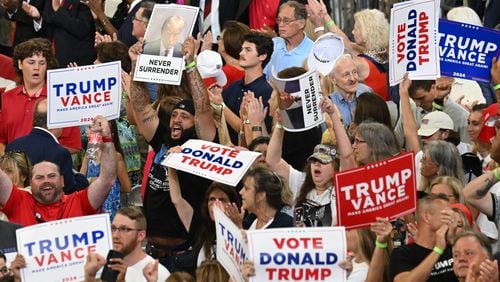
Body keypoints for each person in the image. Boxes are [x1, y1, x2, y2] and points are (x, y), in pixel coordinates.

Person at [128, 36, 217, 273]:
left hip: (185, 254)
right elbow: (140, 106)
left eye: (184, 117)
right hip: (152, 253)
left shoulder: (203, 146)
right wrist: (136, 65)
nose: (177, 118)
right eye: (175, 114)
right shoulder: (162, 141)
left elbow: (203, 106)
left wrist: (190, 64)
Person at [0, 116, 117, 226]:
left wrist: (106, 138)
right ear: (30, 183)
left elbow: (107, 180)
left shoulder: (79, 202)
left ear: (62, 180)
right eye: (39, 177)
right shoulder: (18, 202)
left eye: (51, 176)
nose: (46, 181)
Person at [0, 38, 82, 154]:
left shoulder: (59, 98)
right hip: (14, 168)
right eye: (31, 62)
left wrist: (40, 153)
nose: (36, 68)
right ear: (20, 64)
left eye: (41, 63)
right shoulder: (8, 97)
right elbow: (1, 140)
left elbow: (74, 146)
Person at [6, 98, 89, 194]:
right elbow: (69, 190)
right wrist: (81, 179)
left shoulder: (12, 146)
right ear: (56, 122)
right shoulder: (60, 153)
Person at [214, 32, 273, 144]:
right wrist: (213, 98)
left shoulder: (266, 92)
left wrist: (221, 105)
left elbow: (249, 130)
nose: (241, 53)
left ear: (262, 56)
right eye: (242, 49)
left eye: (248, 50)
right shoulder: (234, 86)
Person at [83, 207, 171, 282]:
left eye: (124, 229)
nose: (115, 235)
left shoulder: (158, 274)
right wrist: (89, 278)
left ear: (141, 236)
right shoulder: (98, 266)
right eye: (113, 228)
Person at [390, 194, 458, 282]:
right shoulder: (402, 253)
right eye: (446, 214)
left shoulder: (452, 248)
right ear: (427, 217)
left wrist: (453, 241)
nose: (452, 219)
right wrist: (437, 250)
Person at [80, 120, 131, 220]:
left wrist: (109, 186)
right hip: (92, 207)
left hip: (110, 209)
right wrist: (91, 182)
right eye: (92, 128)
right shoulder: (91, 152)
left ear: (111, 134)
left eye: (100, 129)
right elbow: (82, 177)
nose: (95, 132)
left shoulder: (116, 157)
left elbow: (127, 187)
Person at [194, 182, 240, 265]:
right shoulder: (203, 232)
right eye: (212, 199)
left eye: (222, 200)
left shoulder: (240, 230)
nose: (216, 204)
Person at [263, 1, 312, 79]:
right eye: (279, 20)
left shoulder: (312, 52)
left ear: (301, 23)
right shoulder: (274, 44)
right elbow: (265, 78)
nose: (281, 25)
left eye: (286, 20)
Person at [329, 54, 373, 127]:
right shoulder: (330, 104)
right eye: (346, 74)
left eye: (354, 72)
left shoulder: (368, 93)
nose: (353, 78)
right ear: (333, 79)